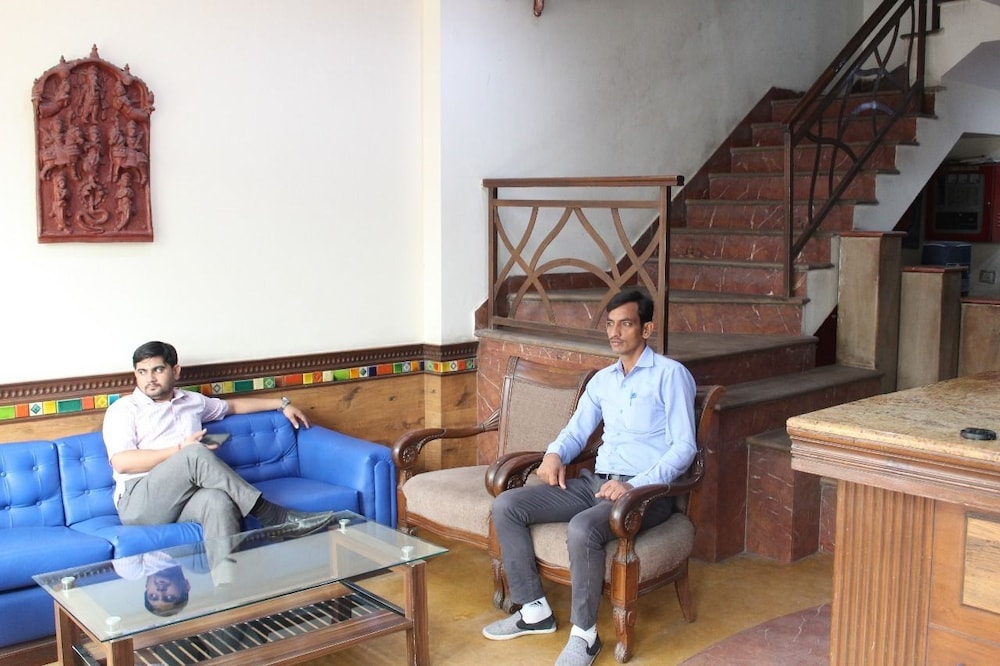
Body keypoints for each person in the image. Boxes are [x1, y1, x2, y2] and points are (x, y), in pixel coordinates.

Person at [482, 290, 697, 666]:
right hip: (596, 483)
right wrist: (554, 454)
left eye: (625, 323)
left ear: (646, 329)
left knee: (582, 528)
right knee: (507, 505)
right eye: (610, 324)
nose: (615, 332)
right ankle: (534, 610)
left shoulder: (670, 375)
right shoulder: (603, 381)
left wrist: (634, 485)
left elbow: (684, 448)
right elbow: (576, 430)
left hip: (646, 493)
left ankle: (585, 636)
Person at [103, 340, 336, 546]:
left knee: (219, 502)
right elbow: (122, 462)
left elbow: (233, 407)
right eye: (142, 372)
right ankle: (273, 517)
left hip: (183, 496)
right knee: (194, 453)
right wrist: (180, 450)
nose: (150, 379)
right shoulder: (124, 410)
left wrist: (282, 404)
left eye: (158, 369)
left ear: (175, 371)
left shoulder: (192, 401)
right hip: (139, 501)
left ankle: (227, 579)